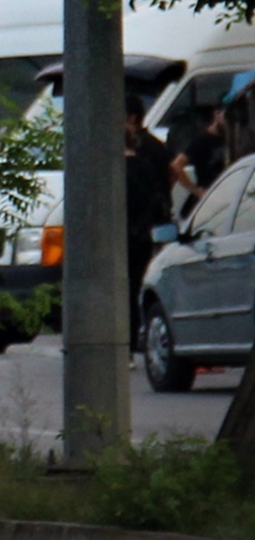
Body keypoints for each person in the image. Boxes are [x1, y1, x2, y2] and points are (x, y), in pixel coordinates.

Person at [124, 94, 174, 349]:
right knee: (147, 283)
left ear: (131, 118)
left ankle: (131, 338)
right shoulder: (156, 148)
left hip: (130, 231)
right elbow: (166, 183)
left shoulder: (122, 163)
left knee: (128, 287)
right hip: (152, 228)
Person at [170, 104, 227, 219]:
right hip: (209, 198)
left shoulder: (232, 138)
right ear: (217, 114)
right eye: (226, 116)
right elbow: (176, 165)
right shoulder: (202, 141)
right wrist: (197, 191)